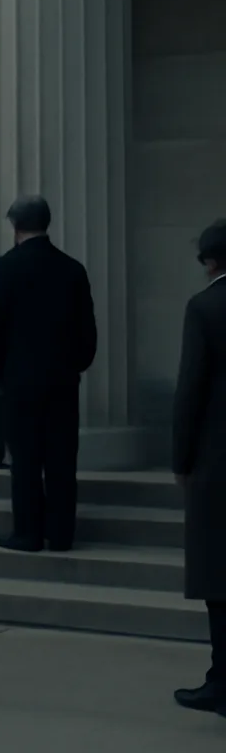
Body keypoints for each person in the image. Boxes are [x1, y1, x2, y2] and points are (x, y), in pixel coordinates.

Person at [0, 195, 97, 553]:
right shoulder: (72, 269)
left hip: (19, 381)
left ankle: (28, 532)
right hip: (62, 380)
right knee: (62, 458)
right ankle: (61, 533)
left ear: (15, 226)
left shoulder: (6, 267)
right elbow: (87, 329)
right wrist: (76, 364)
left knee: (26, 459)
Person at [171, 219, 226, 719]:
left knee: (219, 579)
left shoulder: (206, 307)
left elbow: (190, 391)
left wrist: (181, 460)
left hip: (219, 462)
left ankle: (222, 681)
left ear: (211, 261)